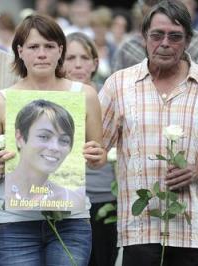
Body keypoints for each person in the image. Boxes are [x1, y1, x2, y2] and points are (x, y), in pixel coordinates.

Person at [99, 1, 198, 265]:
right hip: (140, 227)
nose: (165, 43)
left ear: (187, 40)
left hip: (194, 227)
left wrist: (197, 169)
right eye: (157, 35)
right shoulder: (119, 84)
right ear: (143, 37)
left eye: (175, 36)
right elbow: (96, 145)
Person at [0, 14, 106, 265]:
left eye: (49, 46)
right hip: (15, 222)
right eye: (34, 47)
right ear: (20, 52)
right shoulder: (1, 100)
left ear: (60, 51)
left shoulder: (84, 95)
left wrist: (96, 155)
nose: (42, 54)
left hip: (71, 220)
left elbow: (97, 154)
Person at [64, 32, 119, 266]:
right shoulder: (51, 96)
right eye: (70, 58)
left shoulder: (110, 98)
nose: (78, 64)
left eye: (85, 58)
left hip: (103, 197)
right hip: (63, 199)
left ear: (95, 63)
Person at [111, 0, 198, 89]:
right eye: (148, 3)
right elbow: (116, 91)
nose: (165, 43)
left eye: (175, 37)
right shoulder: (128, 48)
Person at [5, 99, 86, 211]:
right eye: (44, 136)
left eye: (64, 140)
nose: (54, 147)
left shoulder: (70, 200)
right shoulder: (0, 191)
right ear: (20, 138)